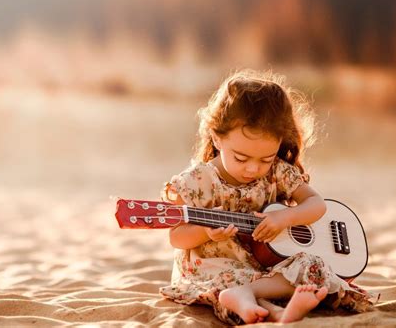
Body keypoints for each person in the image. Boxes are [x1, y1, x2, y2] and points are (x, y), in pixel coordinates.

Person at [159, 70, 374, 324]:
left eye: (265, 159)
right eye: (241, 158)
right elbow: (177, 236)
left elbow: (317, 205)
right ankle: (272, 310)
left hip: (268, 268)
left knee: (314, 265)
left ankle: (250, 297)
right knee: (224, 280)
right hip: (216, 264)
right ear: (217, 138)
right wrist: (206, 232)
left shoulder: (278, 172)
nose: (253, 168)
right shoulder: (197, 181)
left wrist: (285, 218)